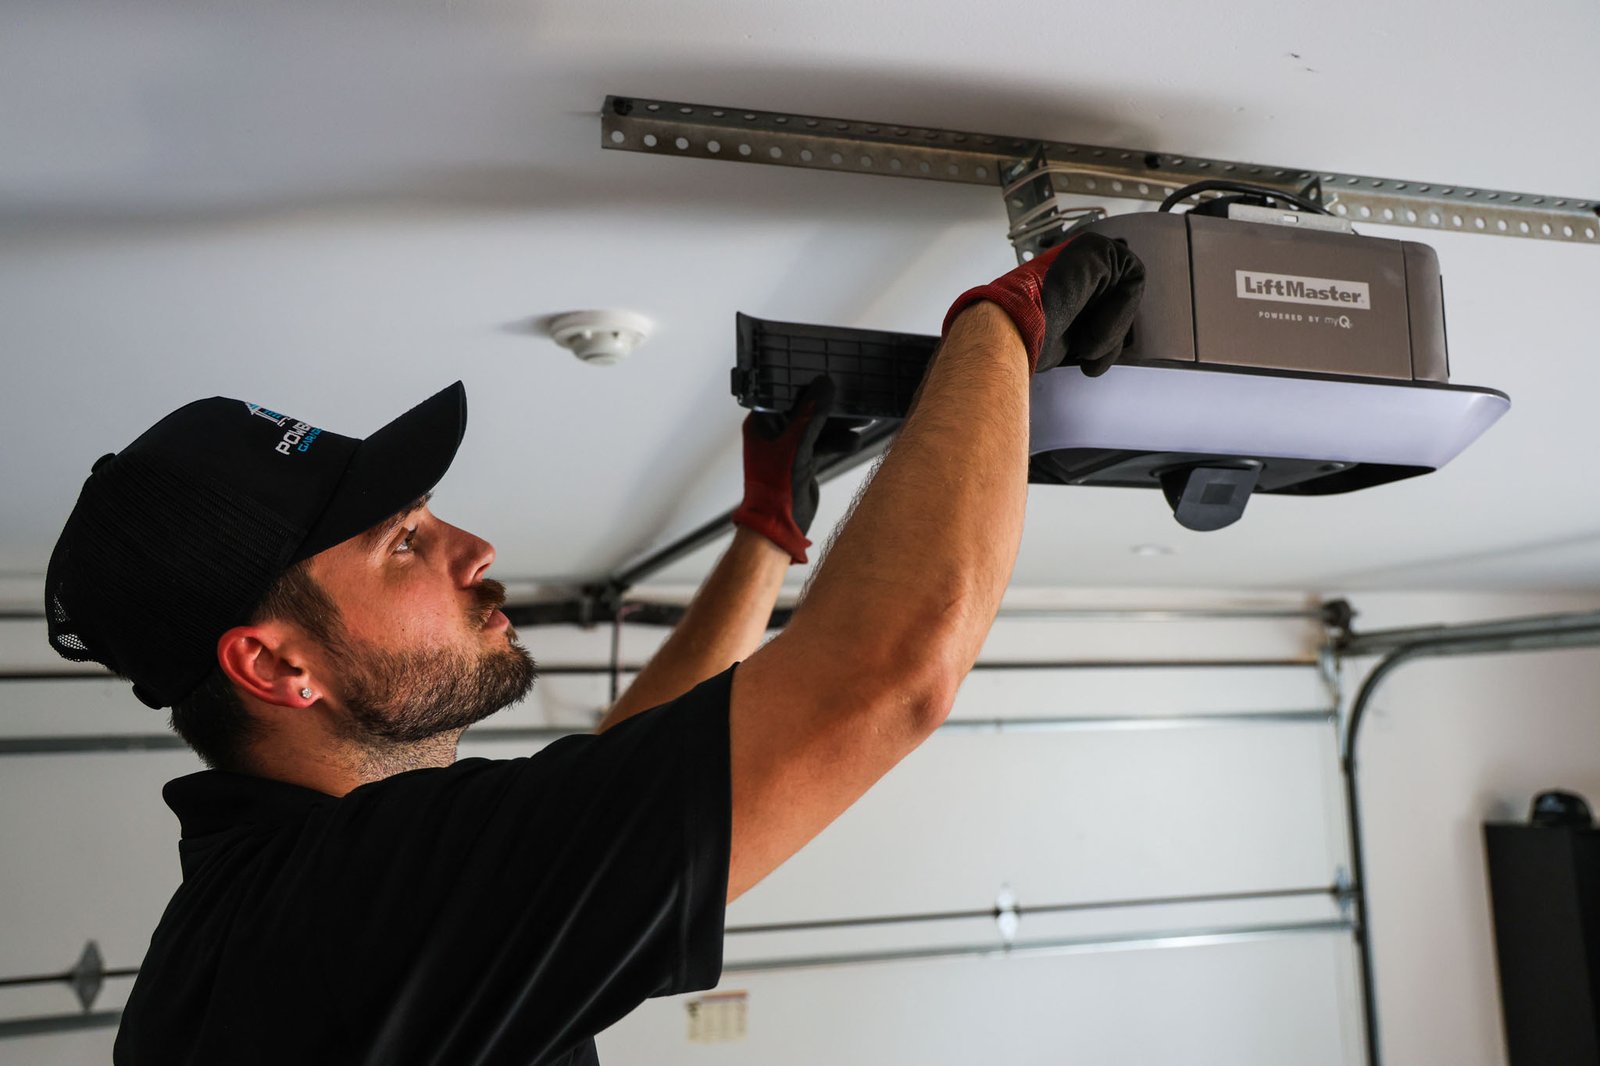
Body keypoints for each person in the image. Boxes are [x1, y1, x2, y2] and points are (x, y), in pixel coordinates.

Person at [44, 234, 1143, 1065]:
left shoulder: (289, 904)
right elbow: (887, 673)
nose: (473, 549)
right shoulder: (351, 909)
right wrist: (1001, 323)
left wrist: (768, 531)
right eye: (403, 542)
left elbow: (622, 774)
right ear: (277, 667)